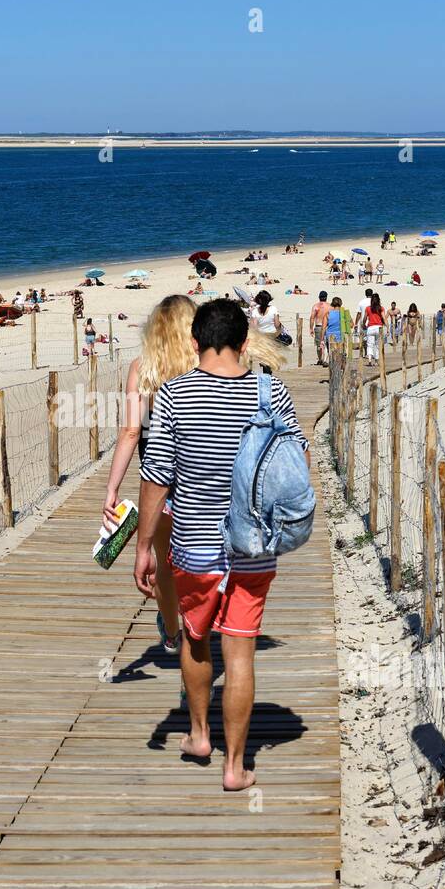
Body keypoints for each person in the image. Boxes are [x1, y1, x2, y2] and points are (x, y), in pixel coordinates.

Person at [135, 299, 308, 792]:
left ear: (194, 342)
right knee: (241, 654)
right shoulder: (271, 390)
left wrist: (144, 545)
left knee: (195, 637)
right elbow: (297, 462)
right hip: (253, 545)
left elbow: (156, 479)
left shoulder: (172, 394)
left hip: (194, 546)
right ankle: (236, 767)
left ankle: (198, 735)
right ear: (245, 342)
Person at [102, 296, 197, 655]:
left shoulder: (143, 368)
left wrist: (112, 488)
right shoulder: (207, 363)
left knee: (167, 564)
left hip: (160, 482)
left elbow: (130, 431)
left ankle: (173, 632)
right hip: (205, 479)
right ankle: (200, 626)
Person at [309, 291, 330, 365]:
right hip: (327, 326)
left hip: (318, 326)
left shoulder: (316, 306)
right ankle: (325, 359)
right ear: (326, 297)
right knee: (326, 344)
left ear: (319, 297)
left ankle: (320, 359)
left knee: (319, 344)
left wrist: (311, 328)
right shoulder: (329, 306)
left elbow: (312, 318)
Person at [363, 292, 385, 365]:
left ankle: (369, 360)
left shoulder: (368, 308)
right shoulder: (381, 308)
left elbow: (365, 318)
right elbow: (384, 318)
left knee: (370, 344)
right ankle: (376, 361)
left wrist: (363, 324)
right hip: (379, 327)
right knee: (377, 345)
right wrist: (387, 327)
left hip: (370, 327)